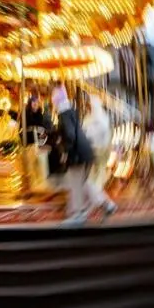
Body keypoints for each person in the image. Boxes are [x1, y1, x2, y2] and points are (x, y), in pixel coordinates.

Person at [51, 85, 117, 224]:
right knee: (84, 182)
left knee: (76, 183)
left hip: (77, 153)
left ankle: (78, 214)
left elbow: (70, 134)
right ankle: (106, 204)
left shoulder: (63, 114)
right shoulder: (71, 111)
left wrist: (65, 150)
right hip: (85, 152)